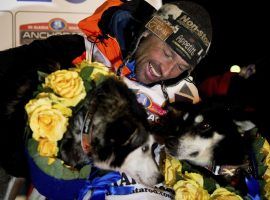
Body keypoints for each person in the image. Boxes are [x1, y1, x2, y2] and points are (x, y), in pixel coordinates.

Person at [0, 0, 212, 180]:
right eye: (167, 53)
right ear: (148, 32)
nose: (166, 70)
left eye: (181, 67)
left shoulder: (184, 99)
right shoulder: (79, 51)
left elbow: (196, 170)